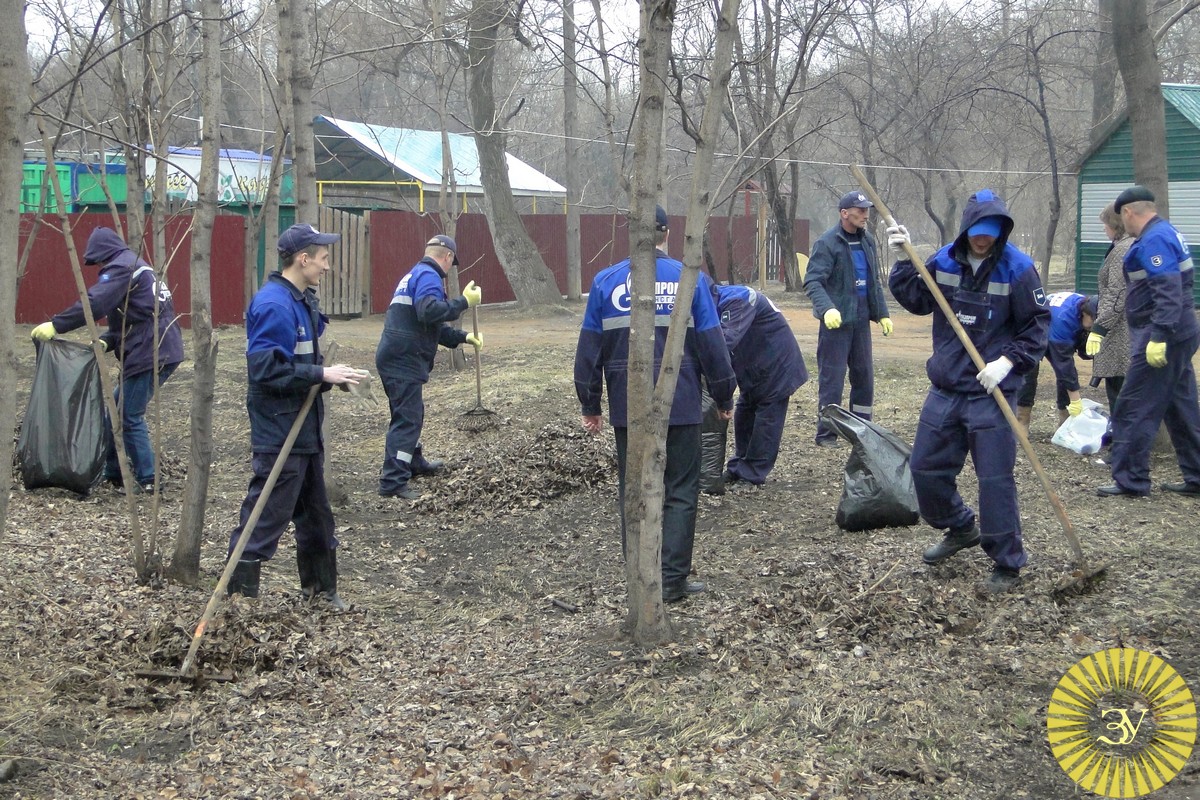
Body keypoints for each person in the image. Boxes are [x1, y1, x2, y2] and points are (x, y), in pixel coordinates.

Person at [887, 189, 1050, 593]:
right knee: (924, 469)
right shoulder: (943, 261)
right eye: (978, 229)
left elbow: (1037, 326)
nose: (984, 237)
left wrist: (1008, 362)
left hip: (992, 393)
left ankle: (1007, 563)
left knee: (995, 480)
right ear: (965, 228)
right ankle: (960, 527)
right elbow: (916, 301)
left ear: (1002, 230)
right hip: (947, 387)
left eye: (992, 230)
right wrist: (905, 261)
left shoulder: (1019, 269)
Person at [574, 205, 737, 603]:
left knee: (634, 489)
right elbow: (712, 343)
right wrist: (723, 394)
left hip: (628, 406)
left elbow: (588, 351)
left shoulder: (604, 283)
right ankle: (673, 580)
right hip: (679, 403)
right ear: (668, 234)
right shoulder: (689, 279)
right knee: (680, 489)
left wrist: (590, 402)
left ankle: (639, 575)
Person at [225, 223, 368, 608]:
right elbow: (266, 371)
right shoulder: (275, 304)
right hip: (280, 427)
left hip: (303, 428)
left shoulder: (302, 299)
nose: (326, 265)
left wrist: (333, 378)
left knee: (317, 516)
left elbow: (299, 362)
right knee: (267, 513)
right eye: (322, 258)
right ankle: (237, 598)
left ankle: (320, 591)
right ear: (302, 259)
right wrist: (321, 374)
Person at [31, 226, 184, 494]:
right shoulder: (138, 267)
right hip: (158, 347)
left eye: (99, 260)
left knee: (128, 415)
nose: (99, 266)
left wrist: (56, 325)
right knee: (114, 410)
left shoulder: (122, 268)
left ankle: (149, 480)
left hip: (150, 351)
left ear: (105, 254)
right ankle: (113, 472)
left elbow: (96, 303)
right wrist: (108, 340)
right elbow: (137, 315)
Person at [1097, 186, 1200, 498]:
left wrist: (1158, 337)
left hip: (1163, 336)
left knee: (1133, 404)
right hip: (1178, 332)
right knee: (1181, 406)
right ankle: (1196, 475)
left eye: (1121, 217)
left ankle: (1131, 480)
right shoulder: (1166, 232)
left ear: (1128, 212)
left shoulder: (1155, 240)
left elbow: (1168, 290)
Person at [375, 234, 482, 500]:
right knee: (408, 418)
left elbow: (430, 325)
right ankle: (393, 481)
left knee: (410, 413)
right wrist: (464, 303)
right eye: (450, 263)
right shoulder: (429, 276)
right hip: (403, 359)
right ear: (447, 258)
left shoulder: (415, 275)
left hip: (395, 356)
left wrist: (463, 337)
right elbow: (430, 311)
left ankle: (412, 461)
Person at [804, 191, 893, 446]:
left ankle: (861, 431)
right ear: (845, 213)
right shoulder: (828, 243)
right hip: (836, 323)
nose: (866, 215)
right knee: (832, 379)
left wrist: (882, 314)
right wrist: (827, 309)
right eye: (860, 210)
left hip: (861, 320)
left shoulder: (868, 242)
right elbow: (813, 281)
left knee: (864, 377)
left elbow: (874, 282)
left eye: (867, 210)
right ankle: (827, 434)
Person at [714, 284, 808, 486]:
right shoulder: (716, 302)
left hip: (777, 364)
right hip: (754, 367)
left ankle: (753, 473)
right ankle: (739, 466)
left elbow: (724, 343)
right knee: (745, 414)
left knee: (767, 418)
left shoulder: (739, 298)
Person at [1015, 292, 1097, 430]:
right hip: (1032, 329)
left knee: (1065, 377)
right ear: (1085, 313)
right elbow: (1064, 365)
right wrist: (1076, 401)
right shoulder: (1064, 320)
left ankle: (1065, 422)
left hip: (1057, 323)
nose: (1094, 324)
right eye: (1093, 319)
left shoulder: (1083, 305)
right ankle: (1022, 421)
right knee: (1029, 371)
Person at [1087, 203, 1133, 419]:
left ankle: (1123, 444)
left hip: (1121, 333)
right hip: (1123, 330)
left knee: (1120, 390)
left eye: (1105, 225)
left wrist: (1099, 328)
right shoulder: (1124, 246)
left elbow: (1116, 293)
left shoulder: (1122, 250)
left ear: (1115, 225)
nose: (1104, 229)